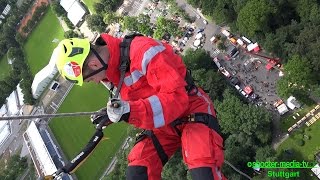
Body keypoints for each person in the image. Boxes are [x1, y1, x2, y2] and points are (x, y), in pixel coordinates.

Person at [55, 33, 226, 180]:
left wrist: (129, 111)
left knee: (203, 172)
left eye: (89, 79)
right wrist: (117, 113)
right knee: (138, 173)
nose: (96, 82)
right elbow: (141, 104)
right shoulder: (113, 73)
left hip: (190, 108)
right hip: (163, 124)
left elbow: (177, 99)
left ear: (93, 65)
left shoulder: (143, 51)